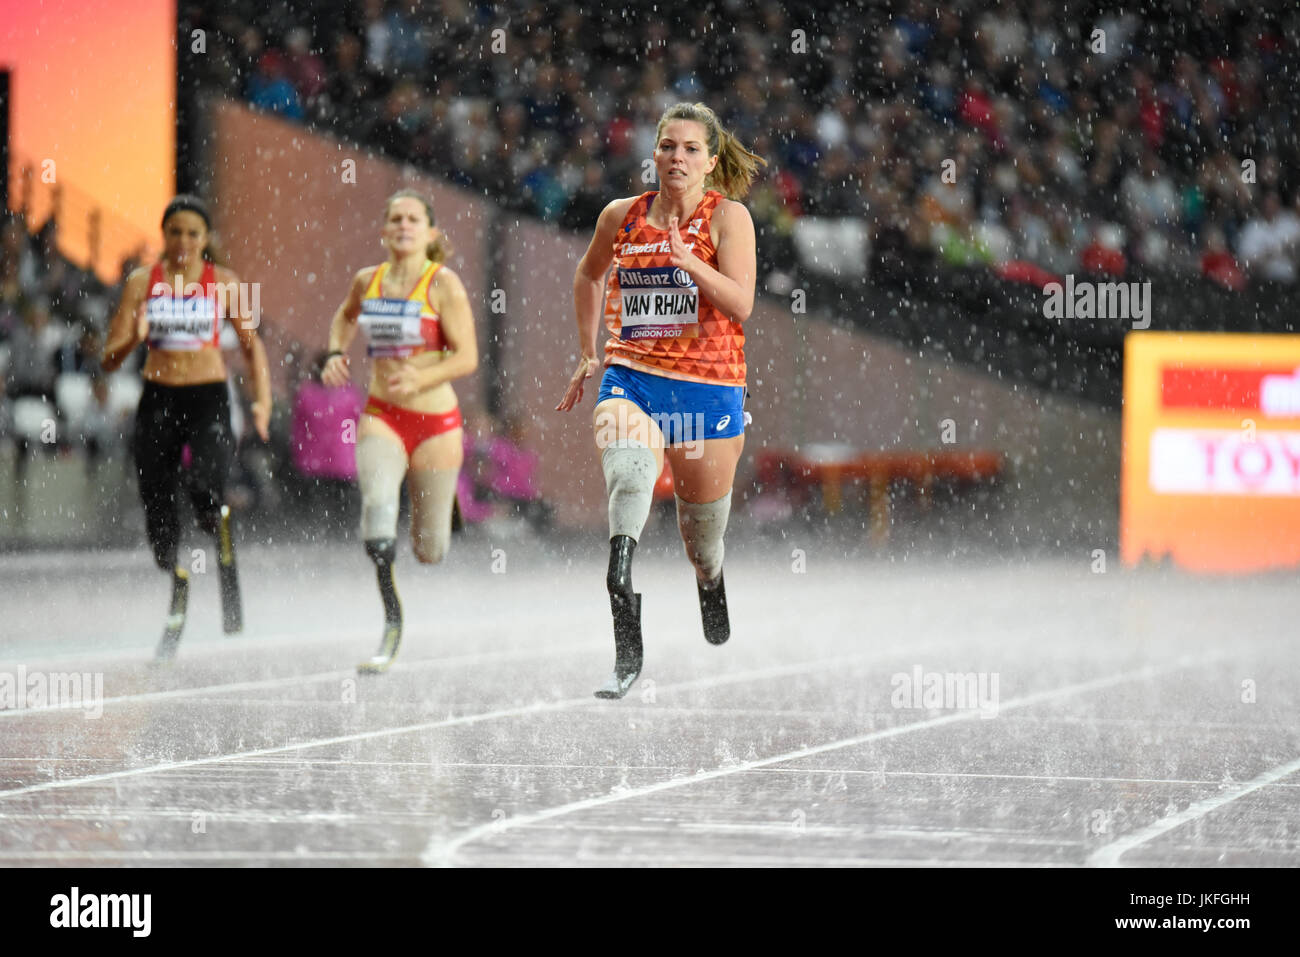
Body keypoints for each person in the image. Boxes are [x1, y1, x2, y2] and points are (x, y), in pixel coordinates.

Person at [556, 102, 765, 699]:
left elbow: (742, 304)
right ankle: (623, 606)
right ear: (654, 154)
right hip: (633, 378)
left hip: (707, 394)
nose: (678, 158)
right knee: (629, 474)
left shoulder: (729, 219)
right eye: (668, 146)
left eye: (691, 149)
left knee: (701, 540)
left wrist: (688, 261)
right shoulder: (622, 217)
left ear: (711, 160)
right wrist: (587, 351)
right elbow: (589, 275)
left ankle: (711, 577)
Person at [101, 195, 272, 659]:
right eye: (175, 232)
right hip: (158, 398)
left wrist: (262, 404)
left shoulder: (225, 283)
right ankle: (175, 573)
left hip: (207, 400)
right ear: (164, 234)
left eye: (193, 233)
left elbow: (253, 349)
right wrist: (133, 337)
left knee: (204, 485)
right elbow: (108, 356)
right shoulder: (143, 282)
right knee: (157, 507)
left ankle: (218, 531)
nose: (183, 241)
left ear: (206, 238)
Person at [321, 188, 477, 674]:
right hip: (383, 416)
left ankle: (441, 501)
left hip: (436, 424)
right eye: (395, 219)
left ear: (430, 233)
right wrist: (334, 353)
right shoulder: (367, 280)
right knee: (378, 513)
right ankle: (391, 622)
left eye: (414, 219)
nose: (404, 226)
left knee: (429, 552)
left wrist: (422, 376)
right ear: (384, 231)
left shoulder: (443, 284)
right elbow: (345, 317)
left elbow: (467, 357)